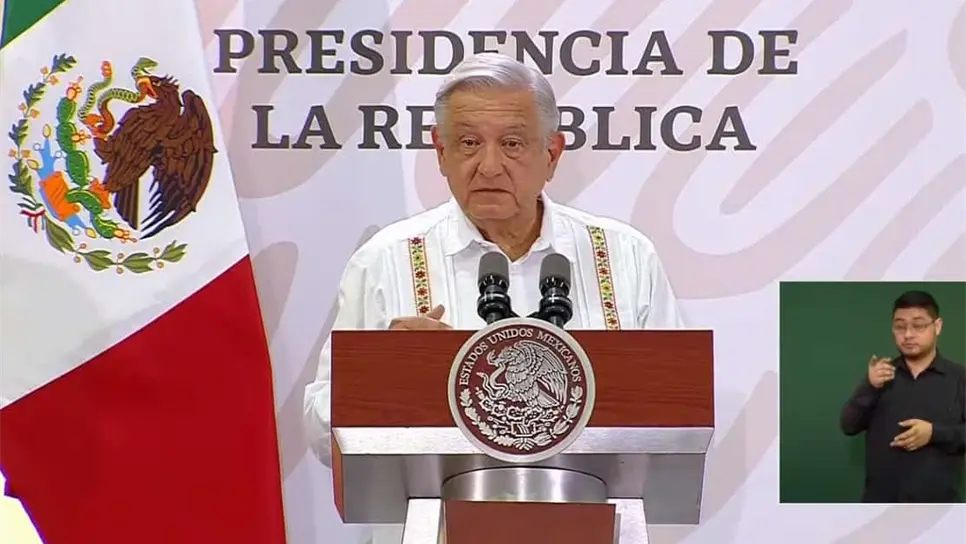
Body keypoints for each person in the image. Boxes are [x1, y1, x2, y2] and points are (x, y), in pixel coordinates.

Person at [303, 52, 684, 542]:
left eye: (512, 144)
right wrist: (382, 378)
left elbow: (681, 415)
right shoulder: (385, 260)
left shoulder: (625, 256)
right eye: (468, 143)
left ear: (552, 154)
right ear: (440, 151)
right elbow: (321, 427)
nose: (488, 165)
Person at [839, 290, 966, 503]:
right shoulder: (880, 375)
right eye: (900, 326)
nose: (908, 334)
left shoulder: (960, 378)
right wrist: (870, 386)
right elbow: (848, 425)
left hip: (938, 509)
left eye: (918, 325)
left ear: (937, 326)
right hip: (879, 507)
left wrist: (934, 433)